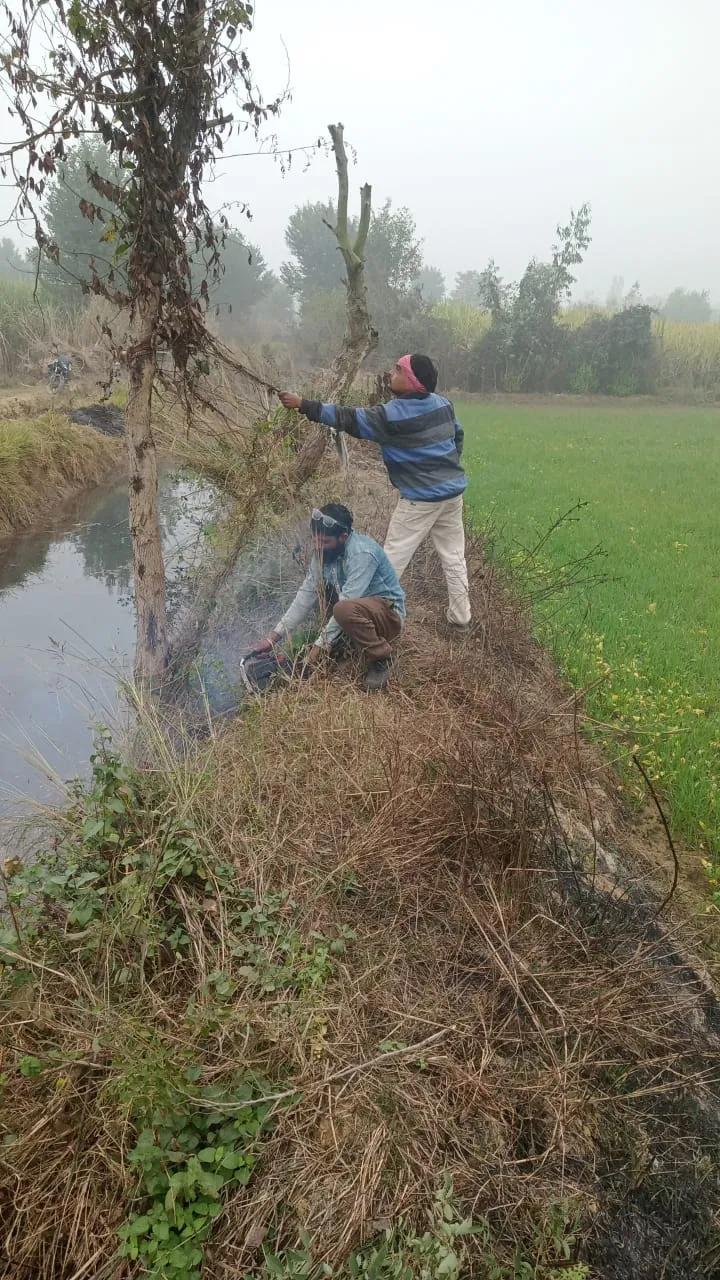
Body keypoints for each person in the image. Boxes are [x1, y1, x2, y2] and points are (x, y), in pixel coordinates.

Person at [279, 354, 471, 634]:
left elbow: (347, 418)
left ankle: (367, 622)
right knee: (454, 556)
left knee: (388, 560)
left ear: (413, 381)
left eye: (398, 369)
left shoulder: (391, 415)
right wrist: (443, 470)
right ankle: (461, 619)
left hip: (420, 499)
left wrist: (302, 405)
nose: (391, 373)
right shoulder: (444, 405)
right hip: (452, 494)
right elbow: (458, 436)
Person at [255, 503, 405, 692]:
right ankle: (341, 641)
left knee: (343, 609)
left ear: (343, 537)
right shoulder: (324, 552)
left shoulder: (361, 553)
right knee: (322, 593)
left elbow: (347, 601)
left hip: (388, 617)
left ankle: (381, 658)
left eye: (324, 541)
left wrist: (319, 647)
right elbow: (306, 594)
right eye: (315, 539)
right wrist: (273, 638)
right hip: (358, 613)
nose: (317, 546)